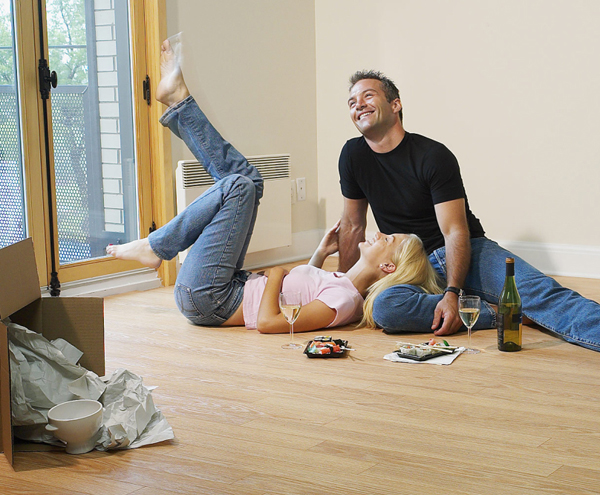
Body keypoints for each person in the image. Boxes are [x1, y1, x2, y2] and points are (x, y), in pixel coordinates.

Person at [107, 40, 438, 334]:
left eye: (389, 239)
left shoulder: (345, 300)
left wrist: (277, 273)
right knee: (249, 180)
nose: (381, 233)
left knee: (238, 186)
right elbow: (301, 292)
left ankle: (157, 247)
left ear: (387, 267)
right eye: (352, 100)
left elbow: (269, 323)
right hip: (223, 288)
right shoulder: (343, 284)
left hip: (210, 298)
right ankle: (180, 102)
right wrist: (320, 254)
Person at [338, 69, 600, 352]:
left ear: (395, 104)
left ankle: (491, 303)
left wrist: (452, 293)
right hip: (409, 262)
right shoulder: (353, 155)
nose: (358, 105)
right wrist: (342, 290)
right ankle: (499, 311)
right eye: (352, 102)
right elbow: (352, 226)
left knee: (542, 294)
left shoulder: (432, 155)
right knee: (386, 308)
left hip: (465, 251)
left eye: (368, 96)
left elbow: (454, 231)